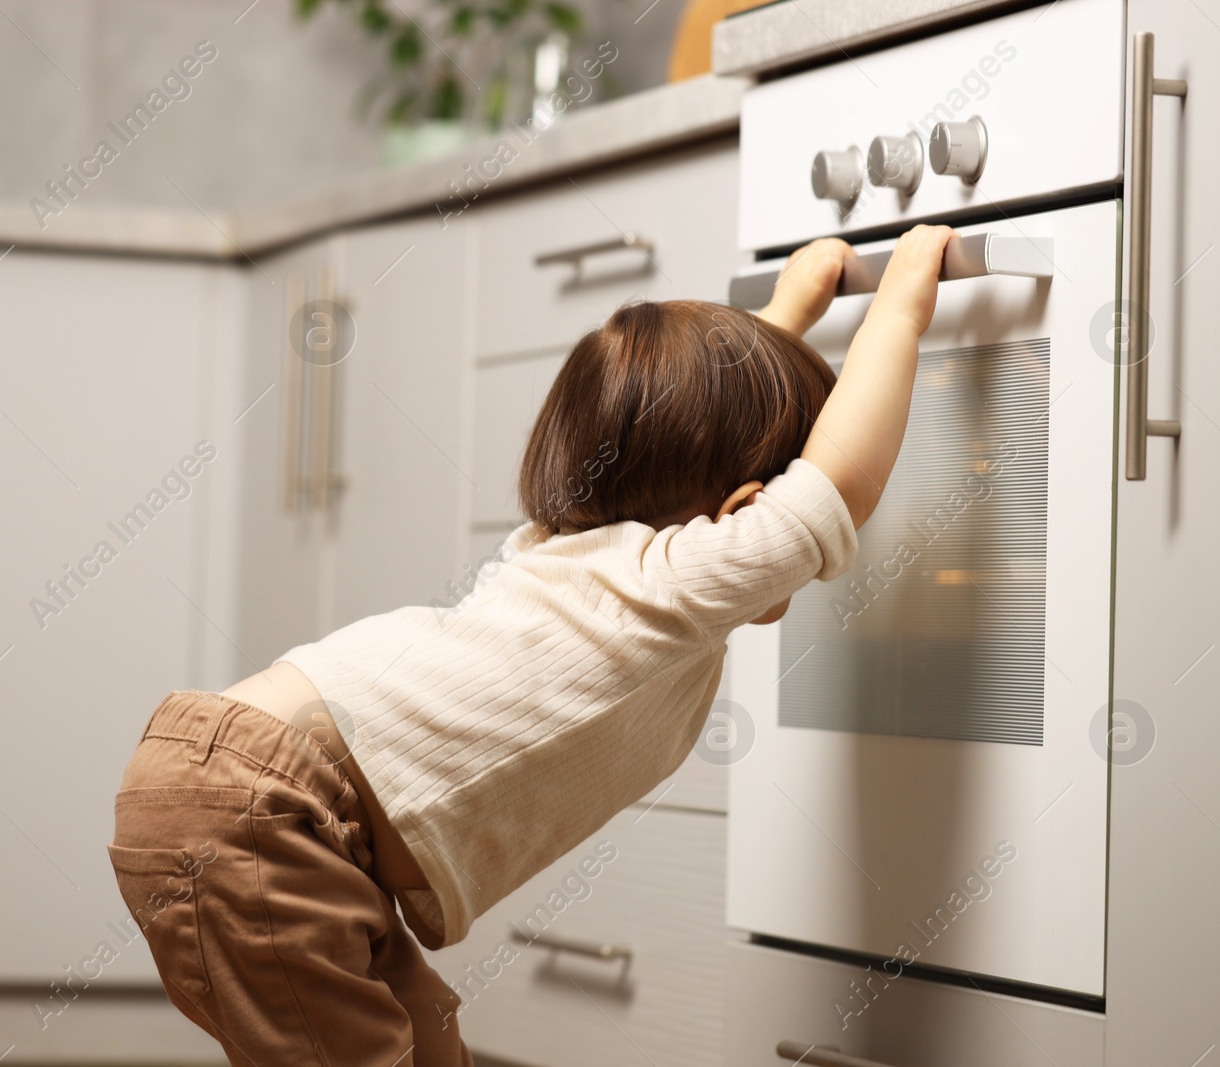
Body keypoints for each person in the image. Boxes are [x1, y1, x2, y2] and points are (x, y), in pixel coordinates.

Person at [107, 224, 957, 1067]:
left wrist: (791, 309)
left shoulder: (564, 548)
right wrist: (905, 300)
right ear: (740, 515)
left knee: (425, 1040)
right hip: (267, 807)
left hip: (267, 797)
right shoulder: (675, 586)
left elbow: (696, 411)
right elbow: (840, 478)